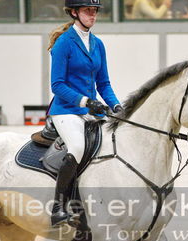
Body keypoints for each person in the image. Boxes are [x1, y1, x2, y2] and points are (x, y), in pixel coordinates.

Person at [47, 0, 123, 227]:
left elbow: (104, 83)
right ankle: (58, 206)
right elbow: (57, 85)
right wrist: (86, 101)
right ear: (74, 12)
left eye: (94, 11)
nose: (92, 15)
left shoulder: (98, 44)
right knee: (78, 147)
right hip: (66, 110)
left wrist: (117, 106)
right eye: (87, 11)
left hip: (91, 111)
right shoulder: (64, 43)